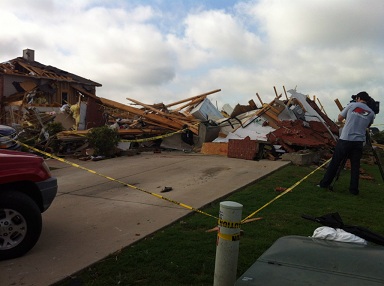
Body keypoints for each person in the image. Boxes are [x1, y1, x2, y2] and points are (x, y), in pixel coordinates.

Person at [318, 91, 375, 195]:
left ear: (358, 98)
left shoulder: (352, 105)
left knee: (335, 163)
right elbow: (368, 125)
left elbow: (340, 118)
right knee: (355, 167)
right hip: (358, 142)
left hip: (346, 139)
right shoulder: (371, 113)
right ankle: (353, 190)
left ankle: (324, 184)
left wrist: (351, 118)